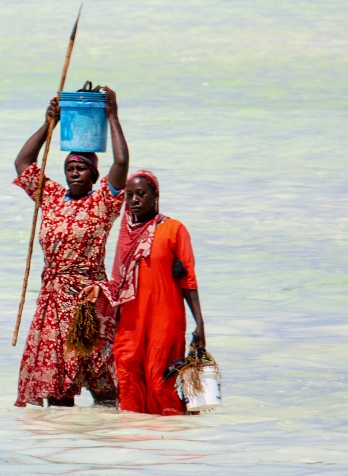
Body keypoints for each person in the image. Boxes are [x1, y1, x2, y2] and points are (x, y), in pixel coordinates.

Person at [11, 86, 129, 408]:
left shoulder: (102, 203)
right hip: (53, 299)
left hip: (88, 300)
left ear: (94, 175)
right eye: (69, 169)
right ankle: (63, 444)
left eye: (81, 169)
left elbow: (121, 163)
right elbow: (23, 162)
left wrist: (112, 117)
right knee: (58, 385)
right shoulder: (50, 199)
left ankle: (105, 441)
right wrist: (50, 124)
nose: (74, 173)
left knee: (102, 382)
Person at [87, 170, 208, 416]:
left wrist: (199, 323)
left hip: (164, 320)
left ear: (155, 196)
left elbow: (189, 280)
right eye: (129, 195)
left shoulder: (174, 229)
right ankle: (135, 443)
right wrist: (98, 288)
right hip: (130, 323)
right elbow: (120, 284)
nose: (134, 200)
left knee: (161, 382)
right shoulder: (126, 236)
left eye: (141, 194)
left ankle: (171, 443)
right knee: (128, 378)